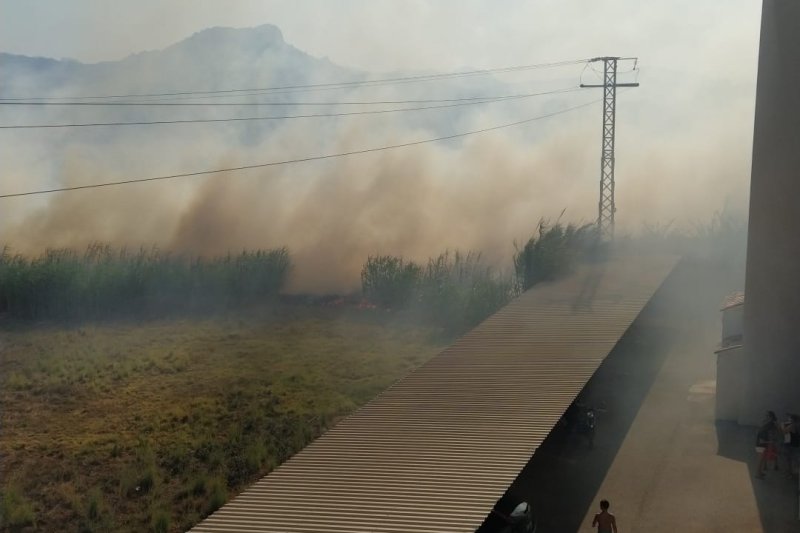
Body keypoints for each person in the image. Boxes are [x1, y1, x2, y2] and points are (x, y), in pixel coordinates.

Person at [756, 410, 780, 478]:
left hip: (763, 444)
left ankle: (760, 472)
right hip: (761, 444)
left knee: (762, 459)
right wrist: (770, 442)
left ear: (771, 417)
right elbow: (761, 437)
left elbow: (776, 432)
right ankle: (758, 474)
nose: (766, 417)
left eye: (767, 416)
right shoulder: (765, 424)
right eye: (766, 415)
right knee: (760, 460)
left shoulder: (769, 424)